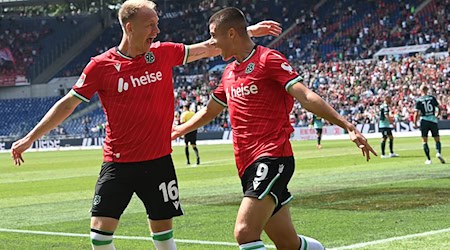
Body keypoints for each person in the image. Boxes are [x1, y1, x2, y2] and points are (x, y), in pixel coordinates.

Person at [10, 1, 282, 249]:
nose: (157, 29)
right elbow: (68, 104)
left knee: (163, 235)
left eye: (157, 23)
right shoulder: (101, 66)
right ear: (129, 27)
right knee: (99, 236)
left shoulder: (163, 53)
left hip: (158, 162)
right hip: (118, 163)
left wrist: (249, 31)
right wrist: (30, 137)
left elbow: (207, 48)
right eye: (150, 24)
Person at [172, 7, 377, 250]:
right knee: (288, 243)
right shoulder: (229, 72)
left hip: (271, 157)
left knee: (245, 233)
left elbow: (306, 96)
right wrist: (176, 131)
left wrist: (347, 125)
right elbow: (209, 112)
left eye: (214, 35)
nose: (212, 42)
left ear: (230, 34)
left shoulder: (268, 59)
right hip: (246, 163)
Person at [413, 84, 446, 164]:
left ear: (420, 91)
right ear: (427, 90)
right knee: (437, 139)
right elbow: (440, 108)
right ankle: (438, 153)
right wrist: (437, 115)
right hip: (433, 120)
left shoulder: (419, 100)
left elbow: (416, 113)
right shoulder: (432, 98)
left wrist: (415, 123)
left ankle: (428, 159)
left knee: (424, 141)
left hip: (424, 120)